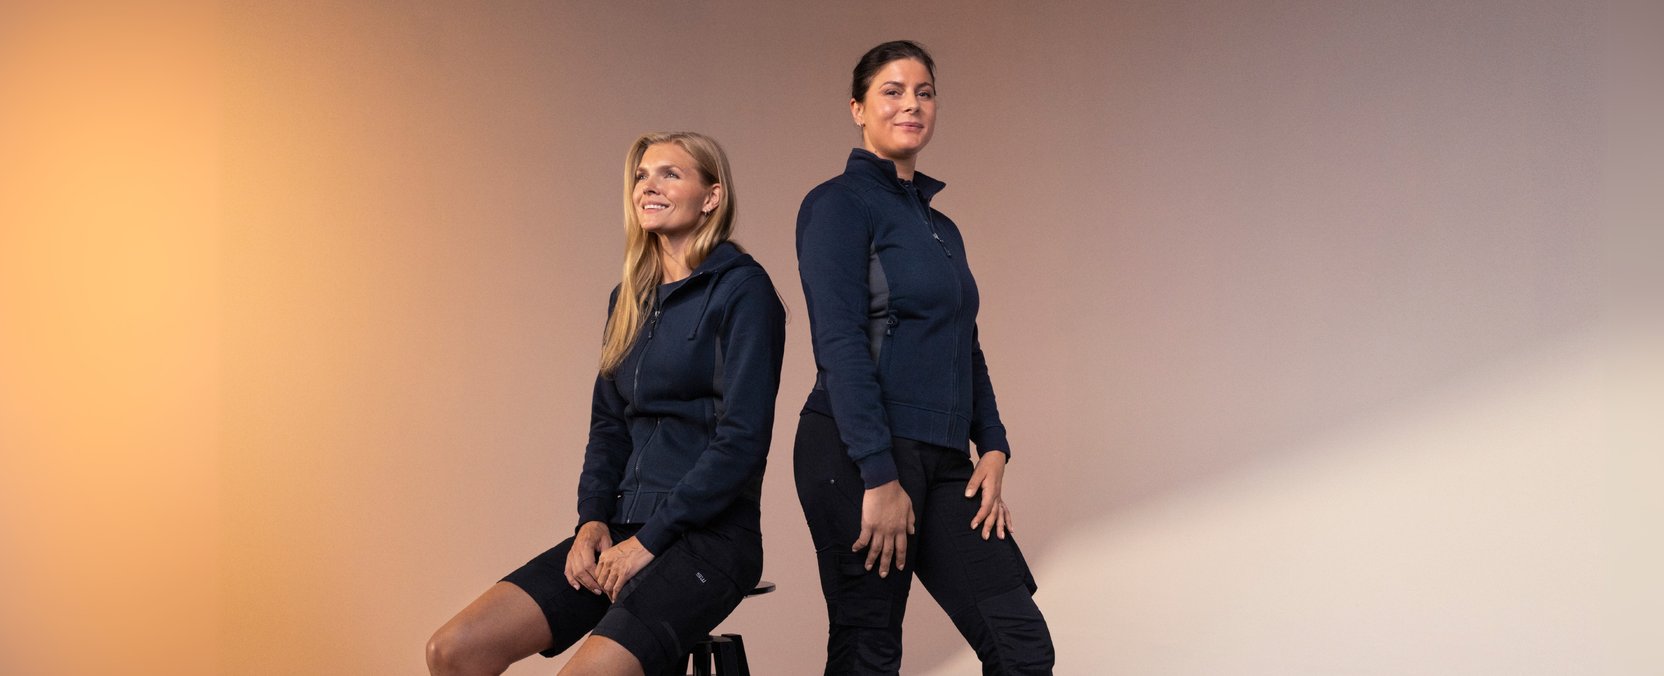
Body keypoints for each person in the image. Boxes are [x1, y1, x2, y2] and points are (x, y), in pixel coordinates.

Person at [427, 131, 786, 676]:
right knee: (453, 651)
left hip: (710, 538)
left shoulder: (744, 291)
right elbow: (609, 426)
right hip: (622, 526)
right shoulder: (629, 299)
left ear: (711, 197)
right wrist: (591, 520)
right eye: (642, 175)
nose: (649, 185)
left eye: (670, 174)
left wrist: (650, 540)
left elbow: (742, 442)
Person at [793, 40, 1056, 674]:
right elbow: (840, 342)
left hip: (943, 459)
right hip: (860, 450)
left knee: (1020, 643)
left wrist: (992, 444)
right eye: (892, 90)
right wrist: (878, 474)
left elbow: (965, 342)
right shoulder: (837, 204)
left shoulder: (943, 228)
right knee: (870, 648)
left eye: (924, 92)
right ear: (858, 108)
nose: (911, 103)